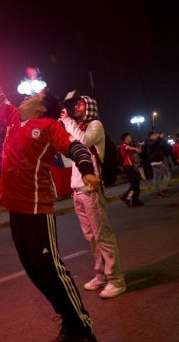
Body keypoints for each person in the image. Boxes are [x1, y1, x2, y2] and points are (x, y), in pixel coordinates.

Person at [0, 42, 100, 342]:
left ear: (42, 107)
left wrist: (88, 170)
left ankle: (83, 330)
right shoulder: (14, 120)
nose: (25, 97)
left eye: (33, 96)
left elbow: (76, 147)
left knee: (52, 270)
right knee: (35, 272)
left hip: (37, 211)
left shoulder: (49, 126)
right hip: (15, 211)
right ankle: (68, 322)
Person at [60, 92, 127, 299]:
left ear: (89, 107)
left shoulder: (95, 125)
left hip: (91, 189)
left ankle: (116, 280)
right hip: (78, 191)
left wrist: (68, 122)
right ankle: (101, 275)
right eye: (75, 105)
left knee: (102, 235)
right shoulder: (76, 127)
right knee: (91, 238)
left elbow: (83, 141)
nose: (77, 107)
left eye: (81, 104)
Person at [118, 133, 144, 207]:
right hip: (128, 166)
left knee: (135, 184)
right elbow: (127, 148)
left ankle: (131, 199)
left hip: (130, 166)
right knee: (136, 183)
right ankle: (126, 197)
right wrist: (135, 148)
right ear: (126, 138)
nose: (131, 138)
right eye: (130, 136)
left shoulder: (128, 145)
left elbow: (131, 151)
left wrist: (137, 149)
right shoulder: (123, 145)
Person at [145, 131, 171, 197]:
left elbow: (163, 145)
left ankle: (158, 192)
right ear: (151, 136)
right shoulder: (148, 141)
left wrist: (160, 138)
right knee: (167, 174)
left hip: (157, 161)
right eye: (154, 135)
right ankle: (164, 190)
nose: (156, 136)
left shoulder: (156, 141)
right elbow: (152, 144)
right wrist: (158, 138)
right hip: (156, 162)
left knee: (156, 178)